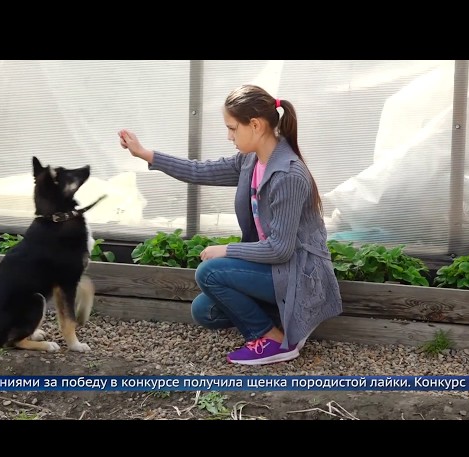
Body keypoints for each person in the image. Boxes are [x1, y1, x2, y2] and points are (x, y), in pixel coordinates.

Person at [118, 84, 342, 365]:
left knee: (210, 272)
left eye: (233, 128)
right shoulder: (250, 161)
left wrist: (227, 250)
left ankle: (276, 341)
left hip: (296, 275)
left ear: (256, 125)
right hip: (274, 272)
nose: (229, 136)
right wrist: (146, 154)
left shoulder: (288, 174)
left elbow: (281, 250)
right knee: (205, 311)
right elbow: (199, 170)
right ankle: (288, 320)